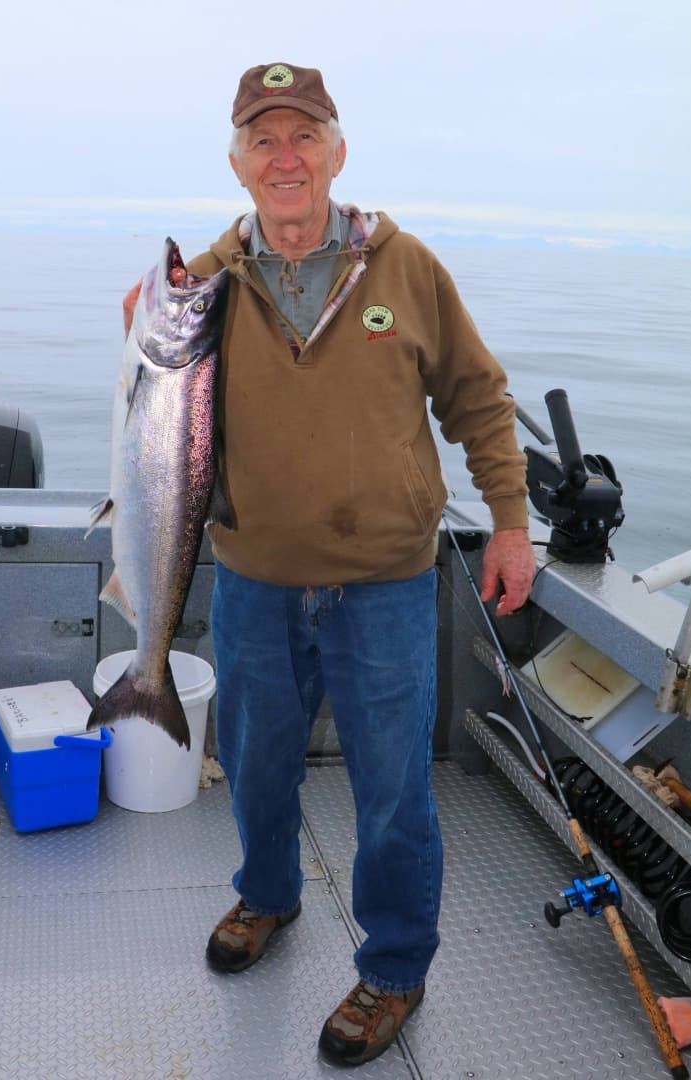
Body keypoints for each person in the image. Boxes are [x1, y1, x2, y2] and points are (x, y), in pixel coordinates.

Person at [122, 61, 536, 1068]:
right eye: (262, 140)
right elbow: (159, 401)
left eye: (301, 135)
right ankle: (267, 896)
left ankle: (393, 966)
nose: (284, 156)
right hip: (254, 579)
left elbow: (477, 398)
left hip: (386, 582)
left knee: (392, 786)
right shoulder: (208, 285)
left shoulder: (408, 270)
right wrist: (133, 324)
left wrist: (513, 522)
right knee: (258, 768)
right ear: (239, 165)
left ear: (336, 151)